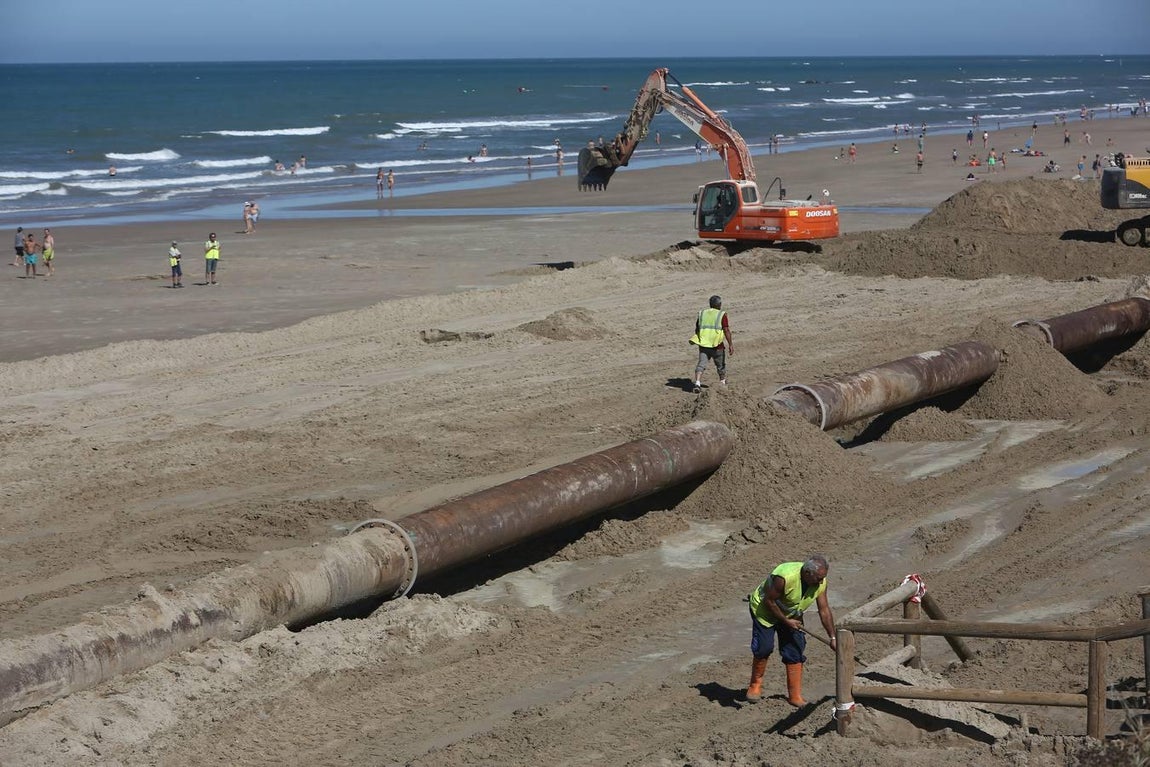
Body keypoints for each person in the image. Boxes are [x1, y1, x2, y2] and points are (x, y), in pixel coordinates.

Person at [745, 555, 837, 706]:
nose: (821, 581)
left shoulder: (820, 582)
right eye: (818, 578)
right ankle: (755, 685)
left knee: (795, 649)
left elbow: (824, 610)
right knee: (764, 648)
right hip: (765, 611)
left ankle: (795, 695)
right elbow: (769, 601)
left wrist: (832, 637)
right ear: (807, 573)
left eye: (823, 578)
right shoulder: (784, 577)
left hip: (792, 615)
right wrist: (786, 621)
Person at [688, 295, 732, 393]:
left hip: (703, 344)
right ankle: (723, 383)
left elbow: (697, 328)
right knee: (720, 365)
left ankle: (697, 383)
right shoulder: (722, 314)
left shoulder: (702, 313)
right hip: (717, 346)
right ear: (719, 305)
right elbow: (726, 330)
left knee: (701, 364)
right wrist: (730, 344)